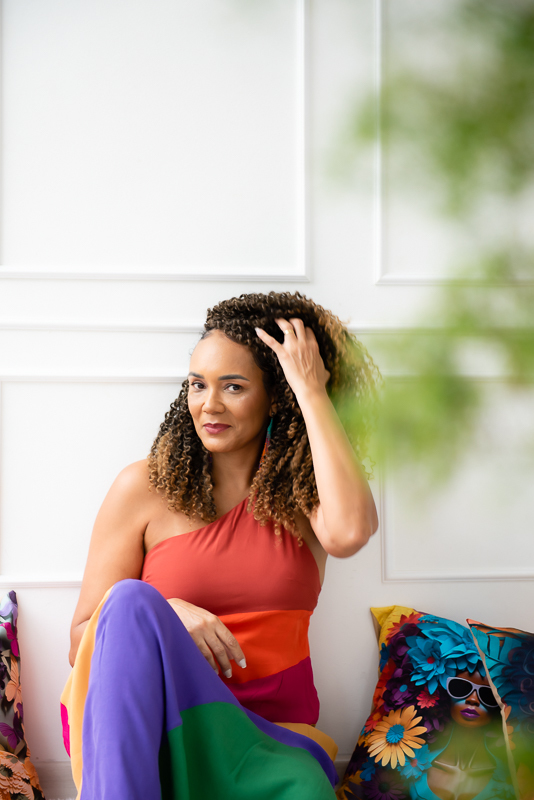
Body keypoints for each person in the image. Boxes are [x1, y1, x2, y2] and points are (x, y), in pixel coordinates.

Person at [61, 291, 380, 800]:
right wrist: (166, 613)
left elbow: (348, 535)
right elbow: (82, 642)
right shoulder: (142, 488)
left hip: (268, 743)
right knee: (128, 601)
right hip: (161, 730)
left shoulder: (305, 493)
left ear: (276, 395)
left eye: (233, 387)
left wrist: (310, 390)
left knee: (307, 790)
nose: (208, 405)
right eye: (197, 385)